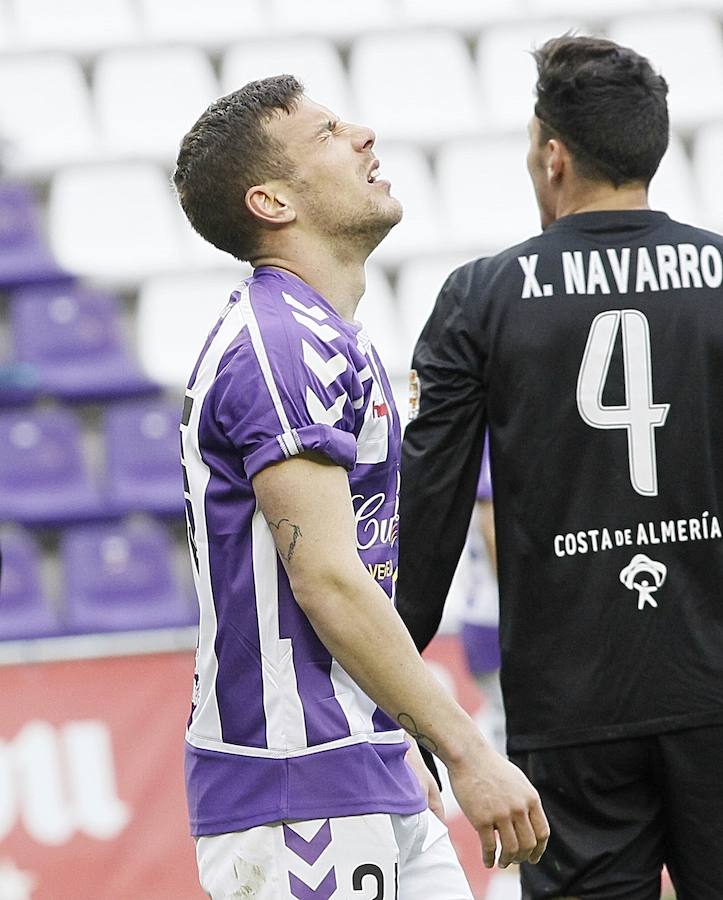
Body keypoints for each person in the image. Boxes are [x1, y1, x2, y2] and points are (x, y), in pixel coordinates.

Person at [172, 76, 548, 899]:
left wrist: (396, 725)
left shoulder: (325, 334)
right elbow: (330, 579)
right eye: (328, 133)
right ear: (271, 201)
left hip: (366, 754)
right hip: (296, 785)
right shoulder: (277, 346)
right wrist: (469, 750)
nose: (365, 135)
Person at [396, 34, 723, 900]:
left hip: (570, 715)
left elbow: (425, 524)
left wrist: (399, 704)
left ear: (552, 156)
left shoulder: (480, 297)